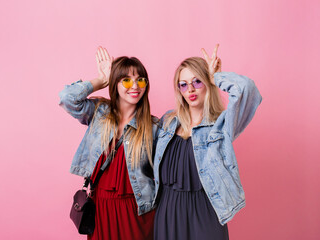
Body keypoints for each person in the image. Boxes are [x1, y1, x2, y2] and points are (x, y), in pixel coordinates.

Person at [153, 44, 262, 240]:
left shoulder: (221, 125)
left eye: (197, 81)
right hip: (167, 212)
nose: (190, 89)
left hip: (205, 213)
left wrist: (216, 78)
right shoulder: (167, 122)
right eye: (183, 84)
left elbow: (248, 90)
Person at [59, 47, 158, 240]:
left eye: (140, 80)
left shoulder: (153, 127)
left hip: (137, 211)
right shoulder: (99, 112)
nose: (135, 86)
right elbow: (67, 98)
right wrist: (101, 80)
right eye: (127, 80)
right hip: (101, 207)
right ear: (115, 83)